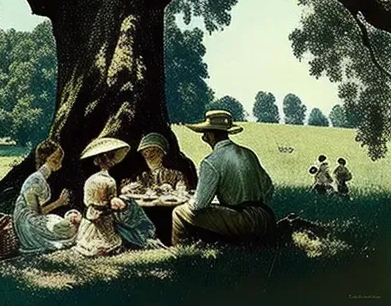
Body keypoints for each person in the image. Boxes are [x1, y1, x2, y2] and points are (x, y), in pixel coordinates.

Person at [172, 110, 276, 246]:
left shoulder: (211, 161)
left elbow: (199, 205)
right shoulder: (248, 153)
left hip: (243, 222)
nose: (204, 137)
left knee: (179, 212)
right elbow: (269, 188)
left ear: (209, 135)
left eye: (205, 133)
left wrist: (186, 199)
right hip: (264, 219)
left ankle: (180, 251)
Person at [74, 137, 160, 257]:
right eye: (110, 157)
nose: (112, 160)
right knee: (132, 216)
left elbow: (91, 202)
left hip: (90, 219)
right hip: (102, 222)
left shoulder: (92, 179)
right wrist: (122, 204)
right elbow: (106, 205)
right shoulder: (107, 181)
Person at [13, 140, 81, 254]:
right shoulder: (35, 180)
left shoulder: (41, 178)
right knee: (68, 229)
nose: (59, 162)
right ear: (47, 159)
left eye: (60, 158)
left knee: (61, 222)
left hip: (34, 218)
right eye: (56, 159)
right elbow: (36, 213)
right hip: (27, 223)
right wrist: (59, 202)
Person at [120, 132, 187, 195]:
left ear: (162, 153)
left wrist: (172, 190)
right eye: (146, 151)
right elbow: (124, 190)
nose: (149, 154)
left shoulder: (175, 175)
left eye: (154, 150)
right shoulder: (138, 176)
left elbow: (182, 191)